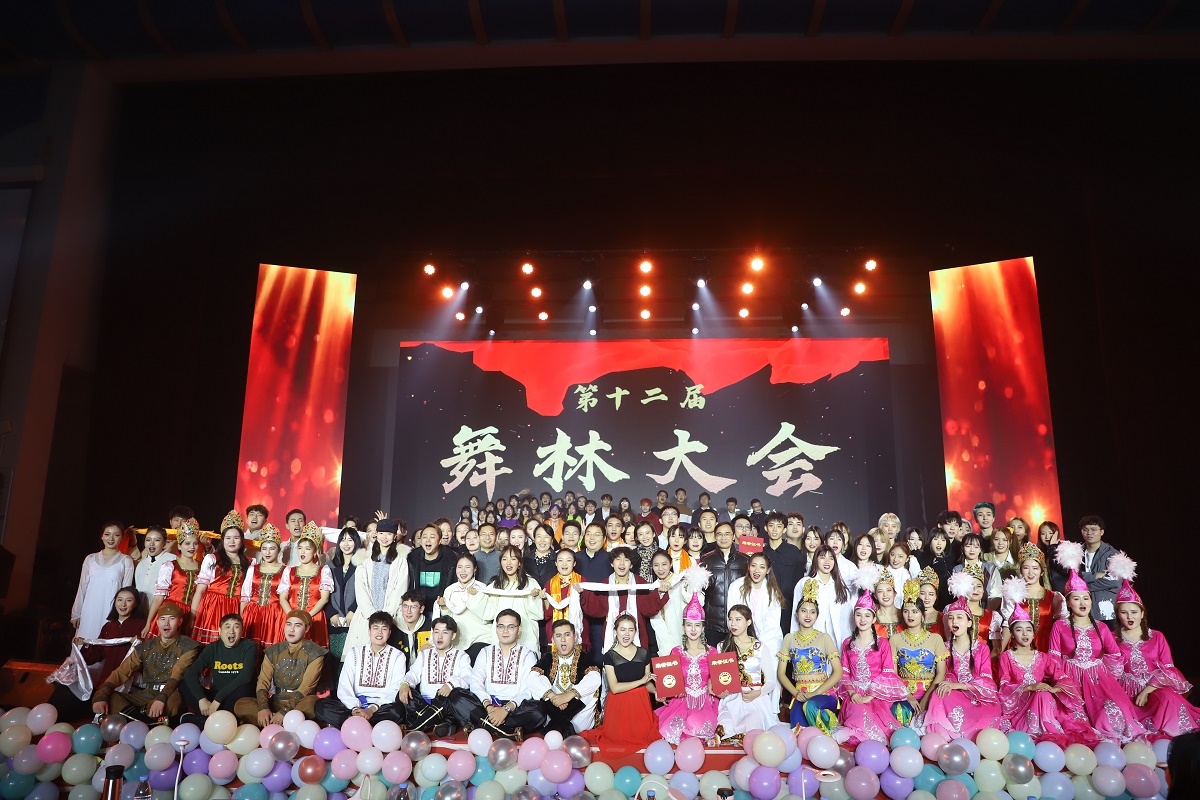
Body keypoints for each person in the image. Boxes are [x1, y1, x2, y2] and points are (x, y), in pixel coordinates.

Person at [1049, 541, 1147, 743]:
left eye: (1086, 598)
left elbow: (1115, 655)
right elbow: (1053, 658)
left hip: (1099, 680)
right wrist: (1063, 681)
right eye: (1076, 599)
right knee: (1074, 722)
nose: (1082, 603)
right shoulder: (1060, 626)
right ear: (1068, 602)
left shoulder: (1101, 627)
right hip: (1070, 680)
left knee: (1114, 713)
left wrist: (1108, 677)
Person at [1112, 559, 1200, 739]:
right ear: (1118, 615)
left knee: (1169, 698)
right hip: (1125, 691)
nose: (1130, 617)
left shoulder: (1157, 637)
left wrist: (1147, 690)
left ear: (1142, 613)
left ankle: (1175, 740)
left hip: (1153, 689)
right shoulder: (1112, 638)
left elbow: (1169, 669)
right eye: (1124, 612)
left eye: (1134, 612)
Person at [996, 597, 1093, 747]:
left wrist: (1054, 689)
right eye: (1019, 630)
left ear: (1034, 633)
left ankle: (1047, 730)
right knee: (1040, 693)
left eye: (1028, 630)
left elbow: (1063, 677)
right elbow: (1004, 687)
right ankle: (1033, 731)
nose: (1025, 634)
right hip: (1019, 706)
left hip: (1043, 703)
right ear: (1012, 634)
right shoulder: (1005, 657)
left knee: (1043, 694)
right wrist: (1030, 687)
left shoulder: (1042, 657)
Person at [91, 601, 200, 723]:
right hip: (146, 695)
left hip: (171, 694)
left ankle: (135, 719)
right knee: (111, 697)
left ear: (180, 621)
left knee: (174, 701)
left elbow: (178, 673)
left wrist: (162, 698)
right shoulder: (146, 646)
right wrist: (101, 694)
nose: (166, 623)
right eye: (162, 619)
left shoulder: (189, 646)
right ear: (157, 622)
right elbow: (121, 672)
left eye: (172, 619)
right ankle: (147, 721)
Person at [48, 586, 144, 720]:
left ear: (135, 604)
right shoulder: (108, 627)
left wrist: (139, 642)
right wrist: (85, 645)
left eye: (128, 600)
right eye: (119, 600)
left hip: (128, 681)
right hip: (106, 680)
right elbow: (97, 654)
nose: (123, 604)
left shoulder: (141, 625)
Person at [922, 590, 1001, 740]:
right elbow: (943, 675)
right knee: (940, 694)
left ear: (969, 622)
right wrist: (950, 685)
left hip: (977, 697)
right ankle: (945, 735)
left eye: (959, 617)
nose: (954, 622)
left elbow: (987, 680)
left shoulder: (982, 648)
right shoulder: (944, 647)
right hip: (954, 695)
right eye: (951, 618)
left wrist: (961, 685)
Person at [834, 586, 907, 745]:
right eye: (858, 615)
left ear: (874, 619)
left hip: (877, 695)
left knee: (883, 729)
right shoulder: (847, 643)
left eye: (867, 615)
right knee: (857, 711)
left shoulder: (883, 643)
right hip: (854, 694)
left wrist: (870, 696)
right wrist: (852, 693)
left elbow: (888, 673)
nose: (862, 619)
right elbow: (844, 673)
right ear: (854, 617)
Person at [316, 611, 408, 727]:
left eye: (384, 629)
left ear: (389, 633)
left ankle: (351, 723)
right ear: (369, 631)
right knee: (321, 706)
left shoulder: (398, 656)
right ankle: (361, 722)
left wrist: (371, 710)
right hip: (354, 705)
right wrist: (355, 708)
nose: (379, 632)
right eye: (375, 628)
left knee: (398, 711)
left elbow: (395, 689)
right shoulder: (355, 653)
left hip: (380, 707)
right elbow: (345, 685)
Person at [234, 609, 326, 725]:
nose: (291, 629)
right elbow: (263, 681)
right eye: (289, 624)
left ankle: (271, 723)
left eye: (297, 625)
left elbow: (305, 688)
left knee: (313, 702)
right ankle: (281, 722)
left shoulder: (315, 653)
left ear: (306, 629)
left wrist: (284, 712)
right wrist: (263, 708)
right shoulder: (273, 651)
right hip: (276, 701)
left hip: (300, 703)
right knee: (241, 704)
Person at [466, 610, 547, 738]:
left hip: (515, 707)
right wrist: (488, 706)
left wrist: (506, 709)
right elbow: (475, 682)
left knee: (539, 711)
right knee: (457, 696)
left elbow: (529, 689)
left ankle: (483, 726)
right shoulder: (485, 652)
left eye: (511, 627)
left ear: (519, 630)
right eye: (501, 626)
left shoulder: (528, 655)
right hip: (487, 705)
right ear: (496, 629)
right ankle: (507, 731)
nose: (505, 631)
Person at [585, 613, 659, 751]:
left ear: (635, 632)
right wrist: (641, 681)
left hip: (640, 705)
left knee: (643, 743)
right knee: (619, 744)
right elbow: (614, 687)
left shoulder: (643, 653)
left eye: (630, 630)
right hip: (619, 707)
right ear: (615, 631)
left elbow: (647, 682)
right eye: (622, 629)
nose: (626, 634)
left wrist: (655, 691)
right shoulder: (609, 656)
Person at [654, 592, 719, 746]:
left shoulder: (713, 652)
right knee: (669, 729)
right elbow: (670, 681)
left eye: (697, 625)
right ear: (683, 627)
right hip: (681, 702)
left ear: (703, 627)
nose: (693, 629)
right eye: (689, 625)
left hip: (706, 703)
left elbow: (718, 681)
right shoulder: (675, 652)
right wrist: (661, 691)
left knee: (699, 727)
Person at [397, 617, 478, 737]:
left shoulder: (461, 656)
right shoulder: (424, 654)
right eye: (436, 632)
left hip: (445, 703)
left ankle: (414, 728)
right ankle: (442, 723)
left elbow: (468, 678)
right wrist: (405, 684)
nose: (439, 636)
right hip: (424, 704)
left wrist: (451, 685)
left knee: (450, 698)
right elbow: (413, 674)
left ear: (453, 635)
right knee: (404, 693)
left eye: (445, 632)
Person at [777, 579, 841, 733]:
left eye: (812, 612)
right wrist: (796, 693)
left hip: (824, 694)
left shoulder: (824, 638)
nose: (808, 615)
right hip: (800, 695)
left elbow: (838, 672)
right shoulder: (789, 638)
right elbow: (781, 673)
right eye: (803, 611)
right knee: (798, 730)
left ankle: (829, 736)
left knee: (811, 706)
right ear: (797, 614)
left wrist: (815, 693)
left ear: (817, 615)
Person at [579, 546, 670, 651]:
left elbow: (648, 609)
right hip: (611, 634)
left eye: (626, 560)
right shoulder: (605, 584)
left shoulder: (640, 582)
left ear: (631, 565)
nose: (622, 563)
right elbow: (597, 609)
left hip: (637, 632)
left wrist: (660, 593)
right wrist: (583, 593)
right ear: (612, 563)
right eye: (618, 559)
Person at [714, 605, 780, 745]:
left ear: (748, 622)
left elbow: (771, 682)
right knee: (724, 731)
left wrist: (757, 693)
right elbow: (718, 678)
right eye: (730, 619)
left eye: (738, 619)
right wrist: (720, 692)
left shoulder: (759, 647)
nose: (733, 623)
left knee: (752, 733)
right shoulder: (722, 646)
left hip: (755, 700)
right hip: (731, 700)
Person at [345, 518, 411, 654]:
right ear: (376, 534)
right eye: (381, 533)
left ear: (395, 536)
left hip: (391, 614)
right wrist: (370, 613)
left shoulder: (400, 559)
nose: (384, 537)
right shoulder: (365, 557)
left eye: (389, 534)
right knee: (363, 653)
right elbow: (360, 587)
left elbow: (401, 588)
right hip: (366, 615)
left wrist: (387, 614)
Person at [528, 620, 603, 736]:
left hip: (577, 717)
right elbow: (531, 678)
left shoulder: (584, 656)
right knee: (537, 679)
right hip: (553, 709)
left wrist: (569, 695)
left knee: (592, 683)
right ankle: (562, 724)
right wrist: (553, 696)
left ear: (575, 637)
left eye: (567, 635)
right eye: (558, 636)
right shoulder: (548, 657)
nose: (563, 640)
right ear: (553, 640)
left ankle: (559, 724)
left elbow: (595, 679)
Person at [180, 613, 257, 725]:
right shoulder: (212, 648)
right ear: (220, 631)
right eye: (227, 626)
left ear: (242, 630)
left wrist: (218, 699)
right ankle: (212, 718)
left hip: (234, 697)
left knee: (243, 689)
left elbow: (246, 677)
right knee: (183, 683)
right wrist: (201, 699)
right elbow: (191, 673)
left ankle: (205, 720)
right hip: (215, 697)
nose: (232, 631)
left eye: (236, 627)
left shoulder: (249, 646)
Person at [890, 580, 946, 728]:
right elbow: (893, 674)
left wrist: (926, 698)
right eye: (906, 611)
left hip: (931, 691)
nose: (910, 615)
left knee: (935, 713)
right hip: (904, 692)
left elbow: (941, 673)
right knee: (900, 711)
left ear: (922, 615)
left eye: (915, 611)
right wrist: (908, 696)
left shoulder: (935, 639)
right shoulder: (895, 639)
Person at [469, 545, 545, 652]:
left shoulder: (530, 583)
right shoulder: (496, 585)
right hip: (501, 635)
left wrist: (534, 597)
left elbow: (537, 614)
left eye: (513, 559)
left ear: (519, 562)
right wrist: (476, 594)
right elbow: (488, 613)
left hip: (526, 635)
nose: (508, 563)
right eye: (504, 559)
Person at [72, 521, 136, 642]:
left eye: (116, 535)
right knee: (85, 644)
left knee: (105, 645)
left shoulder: (126, 561)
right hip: (89, 610)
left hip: (110, 612)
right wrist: (76, 613)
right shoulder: (90, 559)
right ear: (102, 536)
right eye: (107, 534)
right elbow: (82, 588)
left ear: (122, 538)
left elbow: (126, 592)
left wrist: (122, 617)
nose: (111, 538)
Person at [191, 514, 249, 645]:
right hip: (212, 606)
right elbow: (200, 590)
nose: (232, 541)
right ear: (222, 540)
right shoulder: (212, 559)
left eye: (236, 538)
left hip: (234, 607)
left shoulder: (249, 563)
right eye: (228, 538)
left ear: (242, 540)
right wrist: (192, 616)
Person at [998, 543, 1063, 653]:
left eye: (1035, 568)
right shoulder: (1013, 595)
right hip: (1018, 647)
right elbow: (1007, 625)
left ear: (1042, 572)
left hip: (1045, 645)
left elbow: (1062, 625)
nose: (1030, 572)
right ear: (1021, 570)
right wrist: (998, 651)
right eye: (1026, 568)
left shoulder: (1054, 597)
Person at [279, 523, 333, 647]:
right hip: (291, 617)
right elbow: (283, 598)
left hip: (314, 618)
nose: (302, 551)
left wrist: (307, 617)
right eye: (300, 548)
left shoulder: (323, 570)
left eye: (307, 548)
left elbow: (324, 598)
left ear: (315, 552)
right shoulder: (289, 570)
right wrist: (293, 618)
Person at [144, 521, 203, 637]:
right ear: (179, 546)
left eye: (195, 543)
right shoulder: (170, 566)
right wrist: (148, 622)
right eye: (187, 543)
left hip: (191, 612)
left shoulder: (202, 567)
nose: (191, 547)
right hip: (170, 612)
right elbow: (159, 597)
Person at [791, 545, 854, 650]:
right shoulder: (805, 583)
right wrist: (795, 645)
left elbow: (847, 621)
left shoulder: (840, 587)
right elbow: (795, 616)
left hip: (836, 645)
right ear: (816, 560)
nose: (827, 561)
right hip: (810, 643)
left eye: (831, 558)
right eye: (823, 557)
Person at [726, 553, 785, 658]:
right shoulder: (736, 586)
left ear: (768, 570)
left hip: (769, 642)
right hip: (741, 639)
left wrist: (757, 645)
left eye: (762, 567)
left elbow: (772, 625)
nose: (757, 570)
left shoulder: (773, 592)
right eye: (753, 566)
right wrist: (746, 641)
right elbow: (732, 617)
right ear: (748, 567)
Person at [699, 522, 748, 646]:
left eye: (727, 534)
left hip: (738, 622)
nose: (723, 538)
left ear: (733, 536)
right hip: (713, 624)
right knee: (715, 657)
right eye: (719, 534)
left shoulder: (745, 560)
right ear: (715, 536)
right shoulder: (706, 560)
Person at [435, 553, 492, 661]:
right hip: (459, 641)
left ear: (475, 569)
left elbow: (487, 616)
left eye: (467, 567)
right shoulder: (450, 590)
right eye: (460, 567)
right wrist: (444, 607)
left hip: (481, 637)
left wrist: (476, 597)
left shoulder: (482, 588)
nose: (463, 571)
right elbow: (448, 620)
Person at [239, 525, 287, 648]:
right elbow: (245, 596)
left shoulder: (286, 570)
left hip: (274, 615)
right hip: (252, 613)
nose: (267, 552)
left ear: (278, 550)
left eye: (272, 548)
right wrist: (242, 618)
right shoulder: (253, 568)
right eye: (264, 548)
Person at [761, 512, 804, 631]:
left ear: (784, 529)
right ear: (766, 528)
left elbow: (799, 582)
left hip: (788, 608)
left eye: (779, 526)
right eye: (771, 525)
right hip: (765, 607)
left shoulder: (794, 553)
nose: (775, 529)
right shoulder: (761, 553)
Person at [326, 527, 362, 660]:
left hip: (354, 619)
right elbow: (324, 593)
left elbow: (364, 592)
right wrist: (331, 613)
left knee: (351, 659)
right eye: (343, 540)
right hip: (334, 620)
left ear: (356, 542)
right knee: (333, 660)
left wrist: (353, 611)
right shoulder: (329, 566)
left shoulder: (362, 565)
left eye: (350, 540)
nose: (346, 544)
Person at [1078, 515, 1119, 628]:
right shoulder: (1076, 553)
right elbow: (1072, 577)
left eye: (1093, 529)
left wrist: (1083, 586)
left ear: (1102, 532)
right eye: (1085, 529)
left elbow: (1114, 581)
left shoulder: (1112, 554)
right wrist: (1096, 575)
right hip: (1083, 610)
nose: (1089, 533)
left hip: (1106, 610)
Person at [543, 548, 586, 650]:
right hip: (555, 631)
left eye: (568, 560)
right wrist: (545, 599)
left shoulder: (582, 581)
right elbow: (546, 615)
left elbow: (589, 610)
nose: (564, 564)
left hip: (577, 632)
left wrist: (582, 594)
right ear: (556, 563)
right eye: (560, 560)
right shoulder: (549, 584)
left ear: (574, 563)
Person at [409, 523, 459, 608]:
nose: (428, 540)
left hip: (442, 607)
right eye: (424, 537)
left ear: (439, 541)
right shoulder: (412, 558)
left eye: (432, 537)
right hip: (417, 608)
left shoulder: (450, 558)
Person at [392, 591, 434, 669]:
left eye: (414, 607)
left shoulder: (431, 627)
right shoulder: (393, 627)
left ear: (421, 609)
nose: (408, 611)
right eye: (405, 606)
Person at [134, 527, 175, 602]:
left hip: (163, 607)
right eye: (148, 540)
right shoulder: (141, 564)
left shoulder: (172, 560)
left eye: (157, 540)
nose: (152, 543)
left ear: (164, 543)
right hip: (141, 607)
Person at [916, 567, 943, 636]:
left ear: (936, 596)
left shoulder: (943, 617)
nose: (927, 598)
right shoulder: (911, 615)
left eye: (931, 594)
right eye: (922, 593)